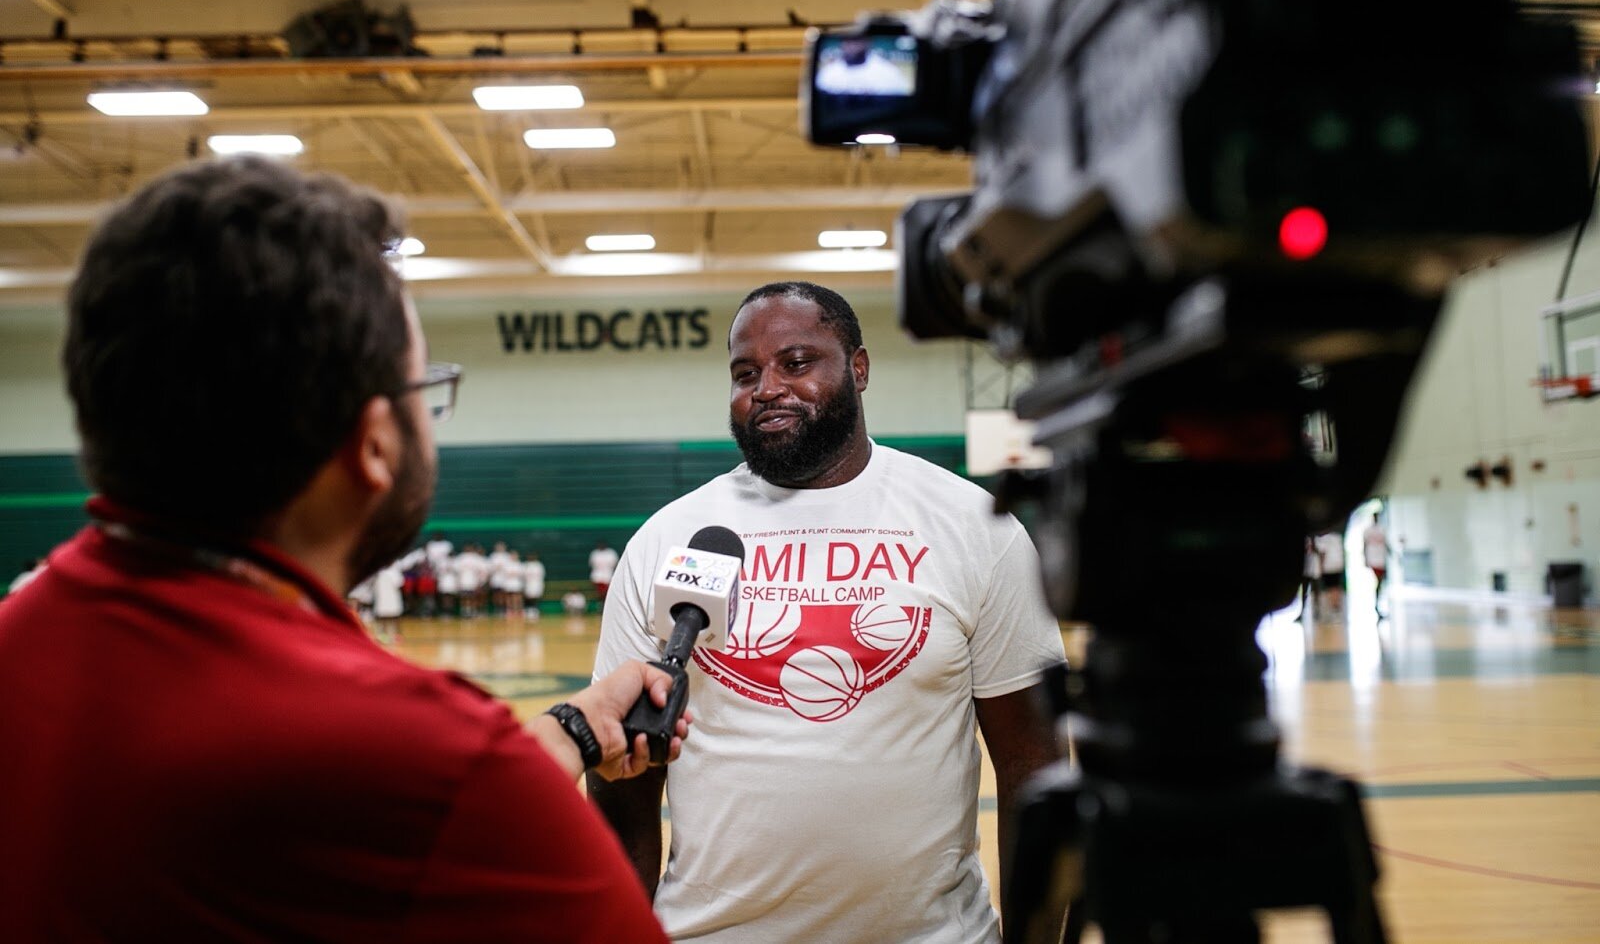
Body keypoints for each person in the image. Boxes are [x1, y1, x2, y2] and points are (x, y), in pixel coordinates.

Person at [0, 157, 685, 941]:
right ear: (373, 442)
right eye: (422, 388)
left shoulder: (18, 650)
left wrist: (568, 728)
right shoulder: (441, 771)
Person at [590, 281, 1067, 942]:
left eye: (796, 362)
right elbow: (622, 789)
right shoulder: (671, 538)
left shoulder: (970, 525)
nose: (767, 388)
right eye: (744, 372)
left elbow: (1031, 765)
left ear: (859, 369)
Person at [815, 36, 915, 95]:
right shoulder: (829, 73)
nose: (851, 46)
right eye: (847, 41)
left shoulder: (888, 72)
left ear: (867, 43)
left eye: (856, 41)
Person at [1363, 513, 1392, 618]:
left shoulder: (1382, 529)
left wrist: (1392, 554)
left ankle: (1379, 602)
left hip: (1382, 560)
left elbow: (1386, 544)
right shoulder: (1367, 531)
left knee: (1381, 582)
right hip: (1373, 560)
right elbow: (1364, 544)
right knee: (1379, 581)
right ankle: (1377, 604)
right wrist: (1365, 559)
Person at [1316, 527, 1348, 620]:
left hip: (1328, 567)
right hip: (1338, 565)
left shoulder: (1323, 539)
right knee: (1336, 587)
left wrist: (1320, 568)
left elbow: (1322, 554)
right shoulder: (1337, 537)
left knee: (1330, 588)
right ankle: (1336, 608)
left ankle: (1333, 608)